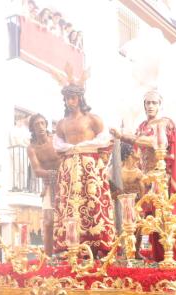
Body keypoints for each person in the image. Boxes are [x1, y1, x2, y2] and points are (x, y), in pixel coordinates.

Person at [111, 90, 176, 260]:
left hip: (161, 177)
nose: (151, 106)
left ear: (160, 104)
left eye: (154, 102)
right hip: (145, 177)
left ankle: (171, 256)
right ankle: (145, 255)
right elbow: (137, 151)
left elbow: (155, 143)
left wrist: (123, 136)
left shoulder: (165, 123)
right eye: (148, 103)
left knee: (165, 216)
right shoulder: (142, 126)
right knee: (146, 216)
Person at [52, 77, 113, 256]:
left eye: (72, 98)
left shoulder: (93, 119)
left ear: (80, 98)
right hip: (70, 169)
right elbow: (59, 149)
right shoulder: (62, 124)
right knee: (68, 206)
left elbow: (106, 144)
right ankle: (69, 245)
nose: (69, 102)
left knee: (93, 203)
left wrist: (99, 166)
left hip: (90, 167)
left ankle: (97, 244)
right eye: (66, 98)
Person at [27, 113, 62, 256]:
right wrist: (52, 175)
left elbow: (66, 156)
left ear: (46, 125)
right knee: (48, 222)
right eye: (37, 124)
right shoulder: (32, 148)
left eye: (42, 123)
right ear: (32, 129)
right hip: (49, 185)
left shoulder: (55, 140)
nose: (40, 127)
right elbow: (37, 170)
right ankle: (47, 259)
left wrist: (59, 174)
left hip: (66, 182)